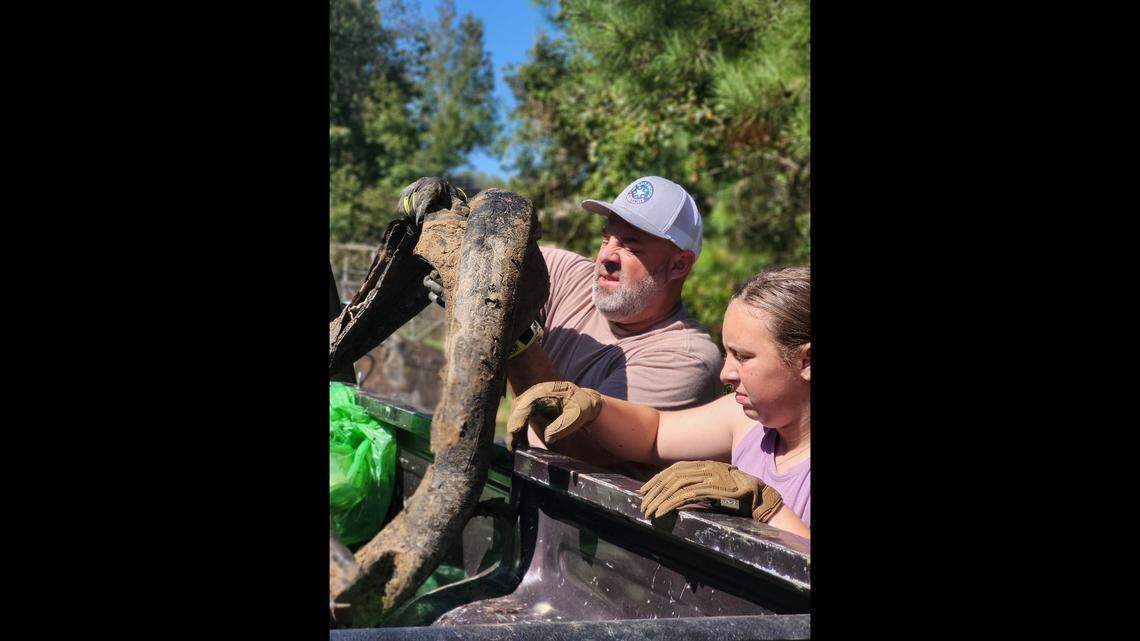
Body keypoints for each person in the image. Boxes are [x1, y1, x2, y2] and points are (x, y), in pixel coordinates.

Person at [507, 267, 811, 538]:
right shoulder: (746, 419)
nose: (726, 373)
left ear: (806, 360)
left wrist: (765, 505)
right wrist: (592, 407)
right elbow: (654, 433)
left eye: (743, 357)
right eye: (728, 354)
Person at [504, 176, 724, 463]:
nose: (606, 256)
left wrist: (517, 338)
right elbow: (500, 258)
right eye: (606, 238)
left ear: (678, 264)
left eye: (631, 246)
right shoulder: (570, 277)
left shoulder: (687, 358)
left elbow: (582, 450)